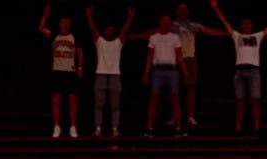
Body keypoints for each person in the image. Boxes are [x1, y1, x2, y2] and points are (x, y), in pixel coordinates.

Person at [208, 0, 267, 137]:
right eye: (244, 23)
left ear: (252, 26)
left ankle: (257, 129)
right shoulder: (236, 36)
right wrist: (216, 8)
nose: (246, 25)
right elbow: (225, 22)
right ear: (241, 26)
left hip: (253, 71)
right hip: (239, 71)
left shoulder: (257, 36)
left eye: (248, 23)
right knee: (240, 101)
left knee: (255, 101)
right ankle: (238, 129)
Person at [171, 2, 228, 128]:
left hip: (190, 58)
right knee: (175, 89)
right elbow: (157, 31)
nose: (183, 10)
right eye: (181, 8)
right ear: (177, 11)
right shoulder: (171, 25)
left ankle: (190, 115)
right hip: (175, 58)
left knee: (191, 88)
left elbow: (209, 31)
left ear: (188, 11)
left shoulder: (193, 25)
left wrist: (228, 33)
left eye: (185, 8)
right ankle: (175, 116)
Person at [84, 4, 135, 138]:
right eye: (108, 30)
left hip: (115, 76)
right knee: (99, 104)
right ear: (105, 31)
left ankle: (115, 129)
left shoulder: (118, 42)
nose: (110, 32)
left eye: (113, 30)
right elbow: (93, 29)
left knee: (115, 105)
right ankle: (98, 129)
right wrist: (89, 16)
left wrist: (131, 17)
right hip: (101, 75)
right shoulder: (100, 42)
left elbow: (125, 30)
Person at [38, 5, 83, 138]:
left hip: (70, 72)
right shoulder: (54, 35)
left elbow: (80, 52)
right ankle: (56, 127)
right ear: (59, 24)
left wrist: (80, 67)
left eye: (67, 22)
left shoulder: (74, 36)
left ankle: (73, 127)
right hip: (57, 71)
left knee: (72, 100)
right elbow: (40, 28)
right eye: (62, 22)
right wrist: (46, 13)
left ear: (70, 24)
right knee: (56, 100)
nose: (64, 24)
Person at [142, 13, 188, 139]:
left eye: (168, 21)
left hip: (172, 70)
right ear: (159, 22)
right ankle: (149, 127)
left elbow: (179, 56)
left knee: (175, 99)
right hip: (158, 70)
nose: (166, 23)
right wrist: (146, 73)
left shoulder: (174, 37)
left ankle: (178, 128)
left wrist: (185, 72)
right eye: (164, 20)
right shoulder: (153, 38)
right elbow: (150, 56)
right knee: (154, 99)